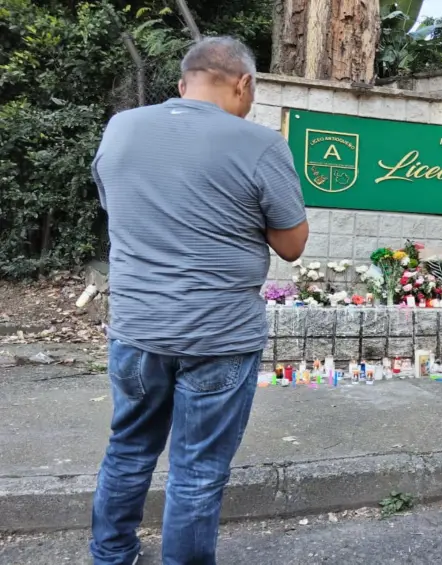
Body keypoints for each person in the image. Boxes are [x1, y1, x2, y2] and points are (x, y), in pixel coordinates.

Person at [90, 37, 308, 564]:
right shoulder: (260, 144)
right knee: (198, 469)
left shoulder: (122, 128)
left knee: (128, 448)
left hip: (138, 329)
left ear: (183, 84)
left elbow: (119, 206)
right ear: (243, 83)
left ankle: (111, 555)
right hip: (219, 335)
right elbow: (291, 245)